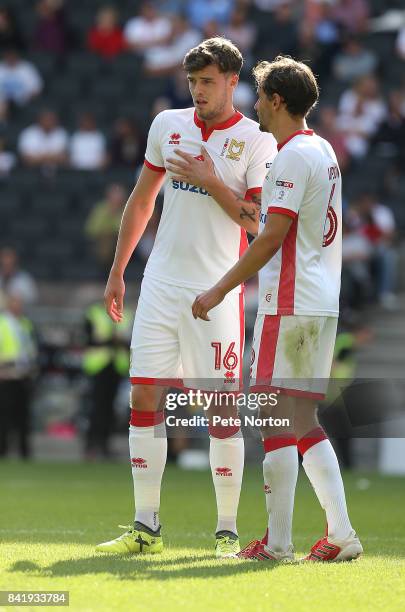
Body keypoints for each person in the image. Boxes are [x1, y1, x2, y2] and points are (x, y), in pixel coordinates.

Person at [96, 37, 277, 558]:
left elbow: (258, 221)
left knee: (221, 408)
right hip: (159, 285)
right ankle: (145, 526)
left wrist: (211, 179)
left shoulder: (258, 141)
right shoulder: (166, 125)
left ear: (231, 82)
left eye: (208, 82)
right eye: (192, 82)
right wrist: (118, 271)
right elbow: (142, 200)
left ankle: (225, 530)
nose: (198, 91)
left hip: (217, 292)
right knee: (144, 397)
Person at [191, 55, 363, 562]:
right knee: (301, 419)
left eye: (262, 96)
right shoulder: (323, 150)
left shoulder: (290, 156)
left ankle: (279, 543)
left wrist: (218, 289)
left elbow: (270, 238)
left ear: (278, 101)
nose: (256, 104)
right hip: (319, 302)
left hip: (289, 304)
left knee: (272, 417)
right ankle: (342, 534)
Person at [0, 290, 38, 459]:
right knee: (4, 415)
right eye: (15, 302)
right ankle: (3, 450)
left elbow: (30, 348)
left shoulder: (25, 324)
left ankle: (24, 452)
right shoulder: (2, 323)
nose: (18, 306)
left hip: (23, 374)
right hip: (6, 374)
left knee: (23, 415)